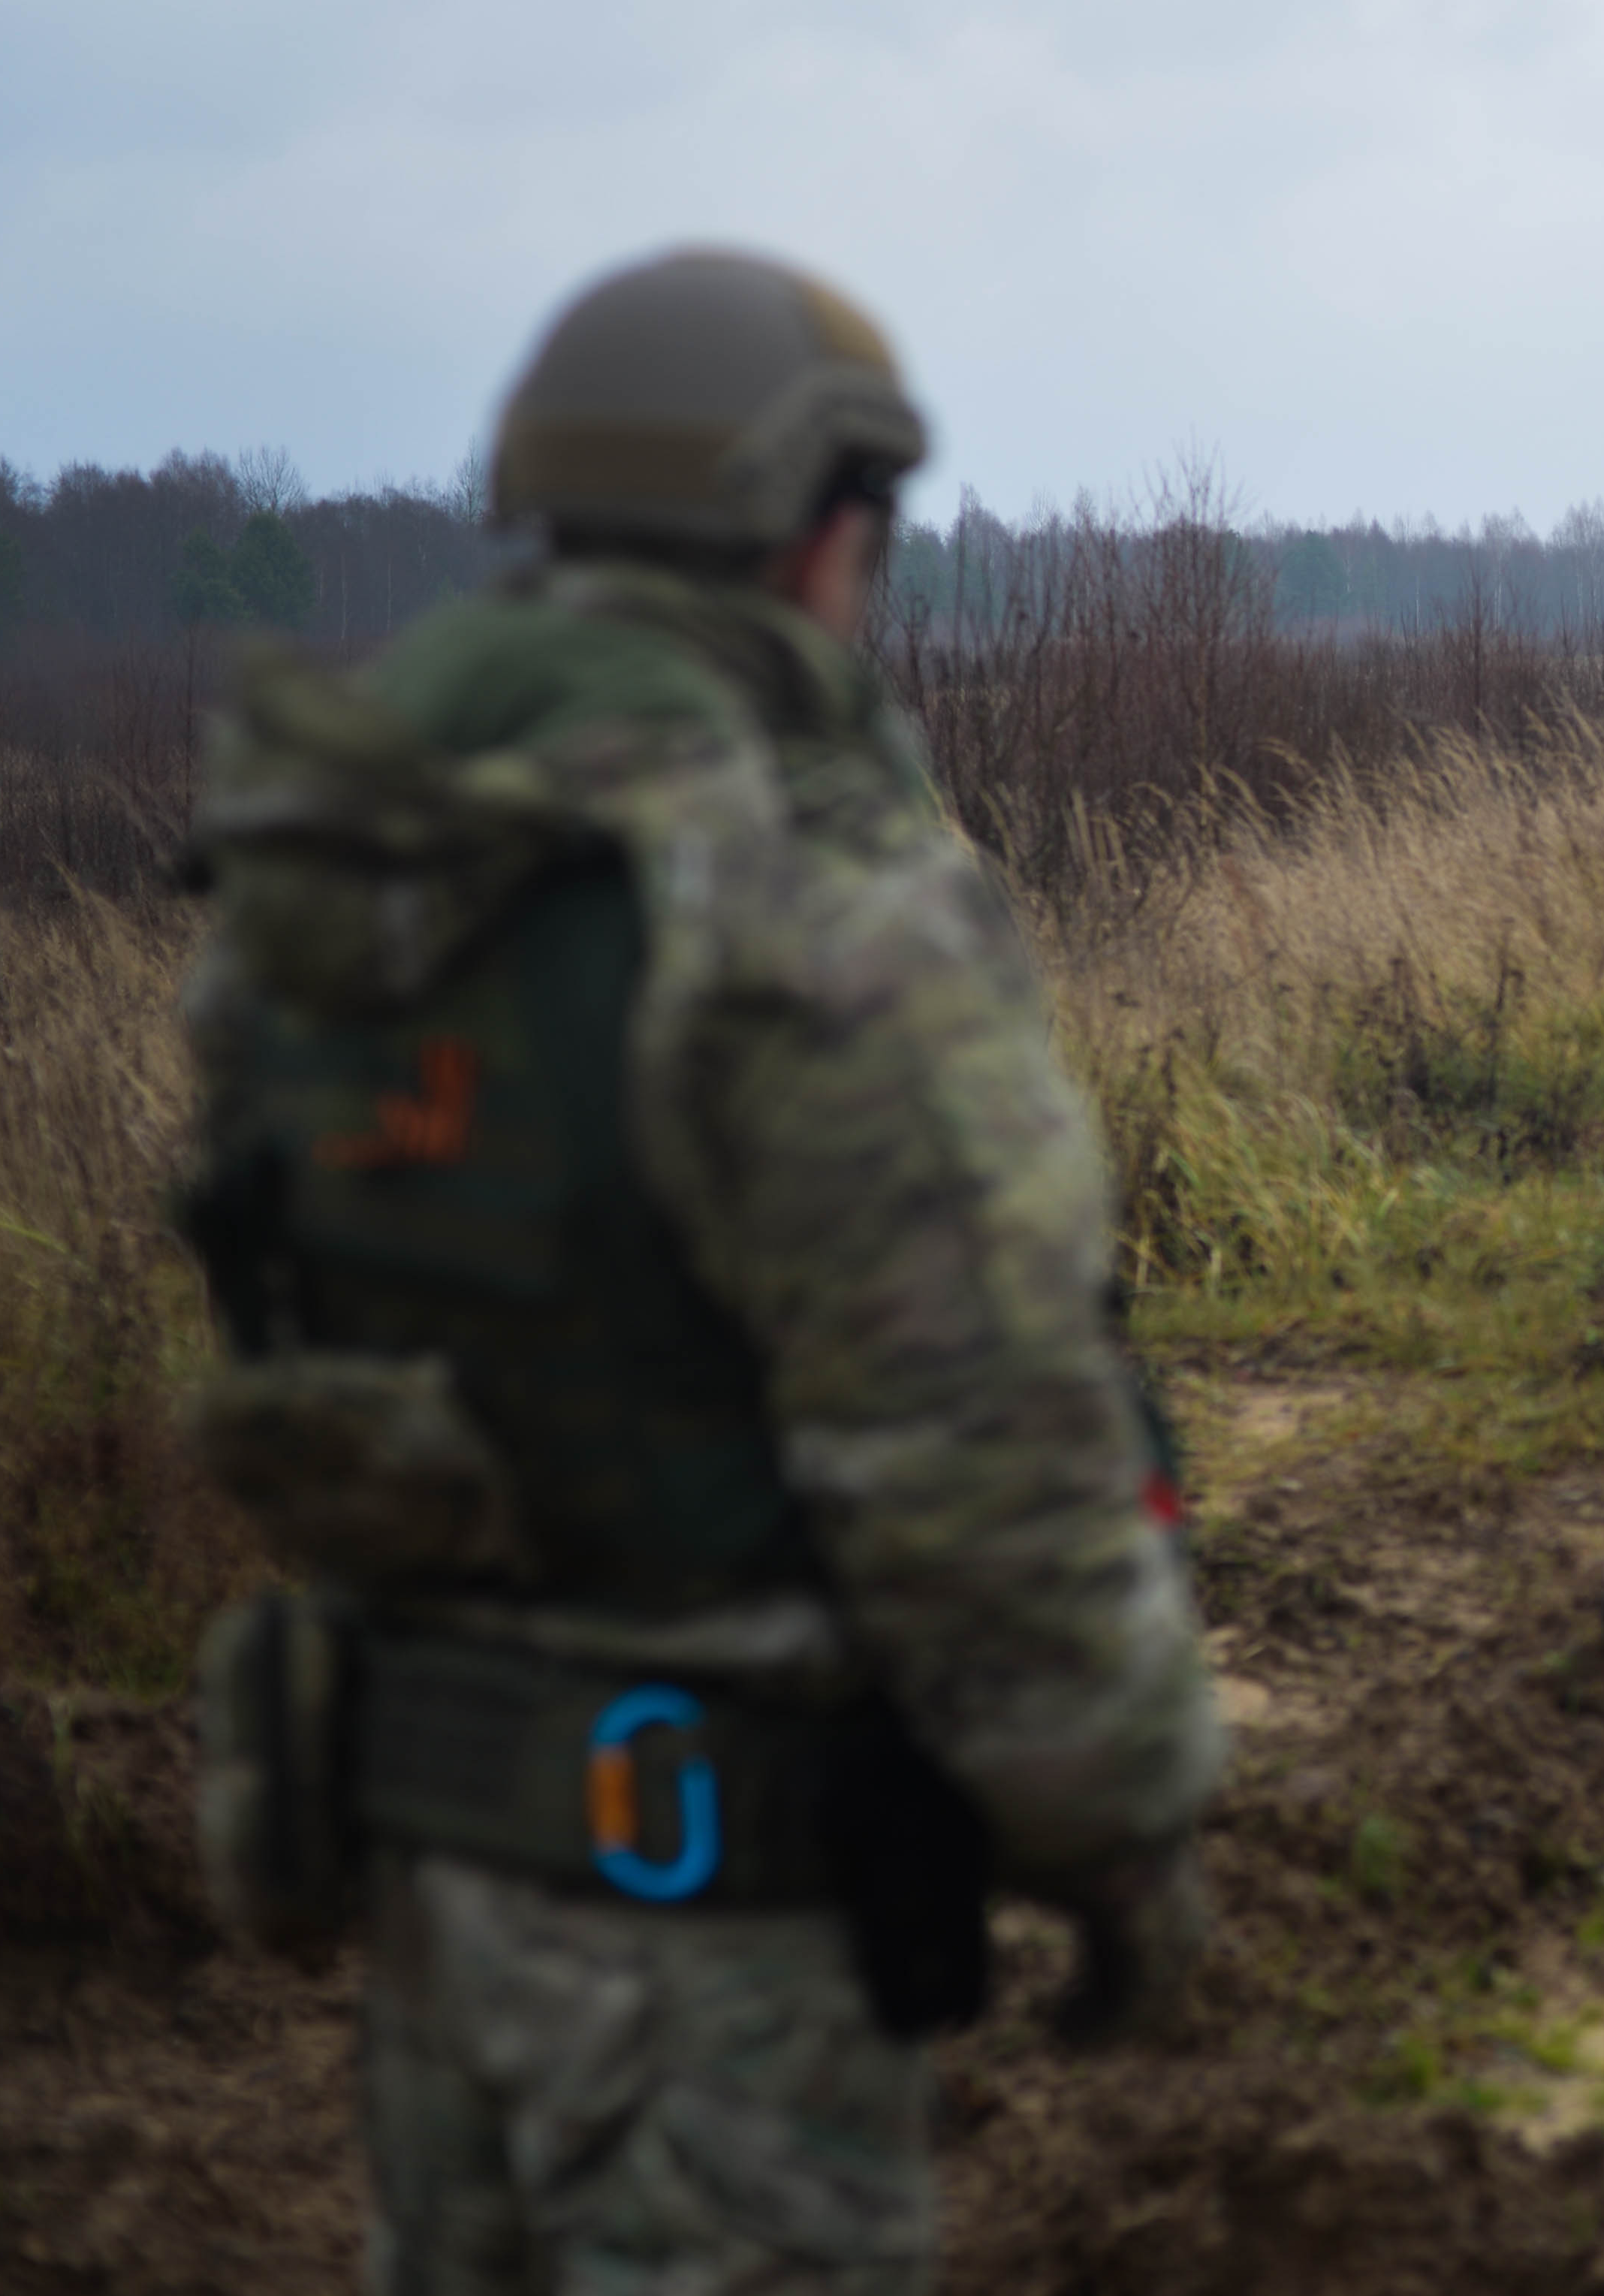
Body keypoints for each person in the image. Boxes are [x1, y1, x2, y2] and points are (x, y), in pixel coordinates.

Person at [173, 246, 1225, 2294]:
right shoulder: (802, 903)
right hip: (716, 1922)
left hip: (426, 1875)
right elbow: (978, 1463)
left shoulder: (339, 863)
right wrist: (1116, 1827)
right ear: (825, 533)